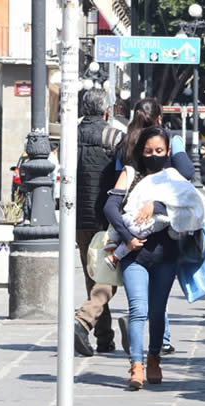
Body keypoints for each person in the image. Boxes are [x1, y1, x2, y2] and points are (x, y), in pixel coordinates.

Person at [103, 127, 205, 389]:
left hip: (166, 255)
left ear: (168, 151)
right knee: (138, 310)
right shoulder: (130, 174)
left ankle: (154, 358)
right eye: (148, 151)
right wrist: (128, 237)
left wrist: (157, 205)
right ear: (140, 151)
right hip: (134, 255)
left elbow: (190, 207)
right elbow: (110, 208)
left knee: (157, 311)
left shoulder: (173, 178)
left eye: (159, 151)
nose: (154, 156)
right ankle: (136, 364)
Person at [72, 89, 124, 357]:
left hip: (78, 218)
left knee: (92, 275)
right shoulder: (114, 137)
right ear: (107, 111)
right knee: (108, 276)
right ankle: (83, 320)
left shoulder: (70, 136)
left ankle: (104, 337)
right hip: (106, 217)